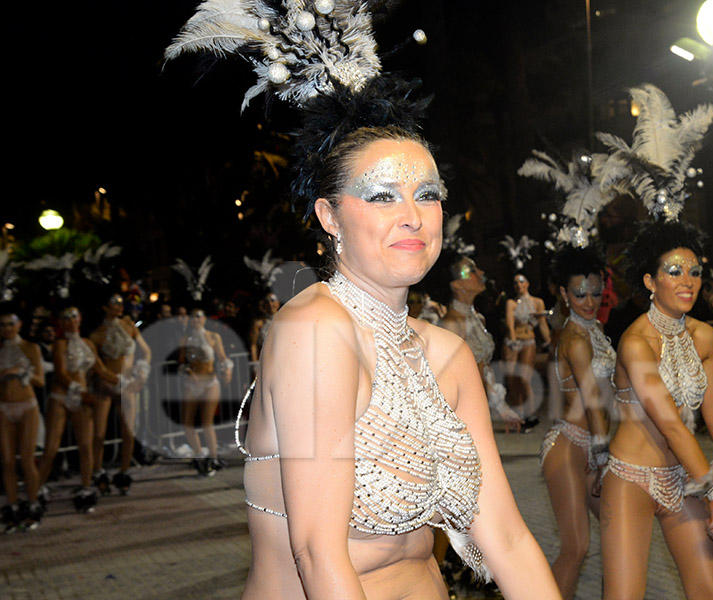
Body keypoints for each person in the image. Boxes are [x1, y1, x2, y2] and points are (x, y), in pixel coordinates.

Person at [167, 5, 559, 597]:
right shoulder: (316, 329)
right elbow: (317, 553)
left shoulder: (448, 355)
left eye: (426, 194)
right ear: (329, 216)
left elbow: (504, 536)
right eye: (380, 196)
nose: (410, 216)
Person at [601, 220, 713, 599]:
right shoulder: (636, 342)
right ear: (650, 281)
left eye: (695, 272)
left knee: (710, 592)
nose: (687, 281)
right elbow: (673, 427)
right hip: (631, 479)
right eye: (674, 272)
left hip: (682, 474)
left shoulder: (704, 336)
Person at [539, 245, 613, 599]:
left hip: (593, 448)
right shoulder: (575, 338)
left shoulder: (594, 331)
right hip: (570, 449)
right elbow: (592, 399)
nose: (589, 301)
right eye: (580, 293)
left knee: (618, 535)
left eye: (596, 293)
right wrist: (603, 456)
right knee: (576, 547)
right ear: (564, 294)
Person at [424, 251, 522, 432]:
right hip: (461, 418)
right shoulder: (451, 325)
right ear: (457, 284)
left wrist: (502, 407)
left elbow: (484, 368)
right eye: (471, 271)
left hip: (479, 410)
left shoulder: (478, 318)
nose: (481, 273)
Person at [36, 306, 119, 512]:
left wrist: (124, 381)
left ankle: (85, 488)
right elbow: (61, 375)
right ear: (61, 323)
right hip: (62, 398)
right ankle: (36, 489)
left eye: (73, 316)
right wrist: (82, 394)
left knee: (85, 446)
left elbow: (100, 369)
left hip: (82, 399)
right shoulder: (60, 344)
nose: (70, 321)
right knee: (51, 449)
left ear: (80, 318)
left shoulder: (88, 343)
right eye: (65, 318)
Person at [89, 293, 151, 495]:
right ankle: (98, 472)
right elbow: (94, 364)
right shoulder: (96, 334)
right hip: (105, 385)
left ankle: (124, 472)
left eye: (120, 303)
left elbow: (146, 351)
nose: (118, 307)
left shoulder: (129, 324)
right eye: (113, 303)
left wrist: (142, 372)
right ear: (105, 307)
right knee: (98, 434)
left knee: (128, 432)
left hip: (128, 386)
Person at [0, 310, 45, 531]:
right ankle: (12, 507)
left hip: (26, 406)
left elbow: (40, 380)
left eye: (10, 324)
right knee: (7, 461)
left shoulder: (30, 347)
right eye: (2, 324)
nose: (6, 328)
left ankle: (33, 505)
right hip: (4, 407)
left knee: (26, 459)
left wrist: (22, 373)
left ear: (19, 325)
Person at [179, 307, 233, 476]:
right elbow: (181, 363)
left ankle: (213, 457)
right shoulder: (185, 339)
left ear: (204, 319)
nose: (196, 320)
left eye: (199, 316)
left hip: (210, 382)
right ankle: (199, 455)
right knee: (187, 423)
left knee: (206, 422)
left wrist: (227, 371)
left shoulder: (213, 337)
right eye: (193, 317)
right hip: (192, 384)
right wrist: (188, 372)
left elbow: (223, 359)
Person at [503, 273, 551, 426]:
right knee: (511, 378)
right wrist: (513, 341)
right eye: (515, 282)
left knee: (524, 377)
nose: (519, 285)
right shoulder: (512, 303)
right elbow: (510, 324)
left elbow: (542, 325)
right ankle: (518, 412)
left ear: (528, 283)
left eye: (521, 281)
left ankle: (530, 413)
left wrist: (550, 341)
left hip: (528, 340)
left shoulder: (537, 302)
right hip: (513, 341)